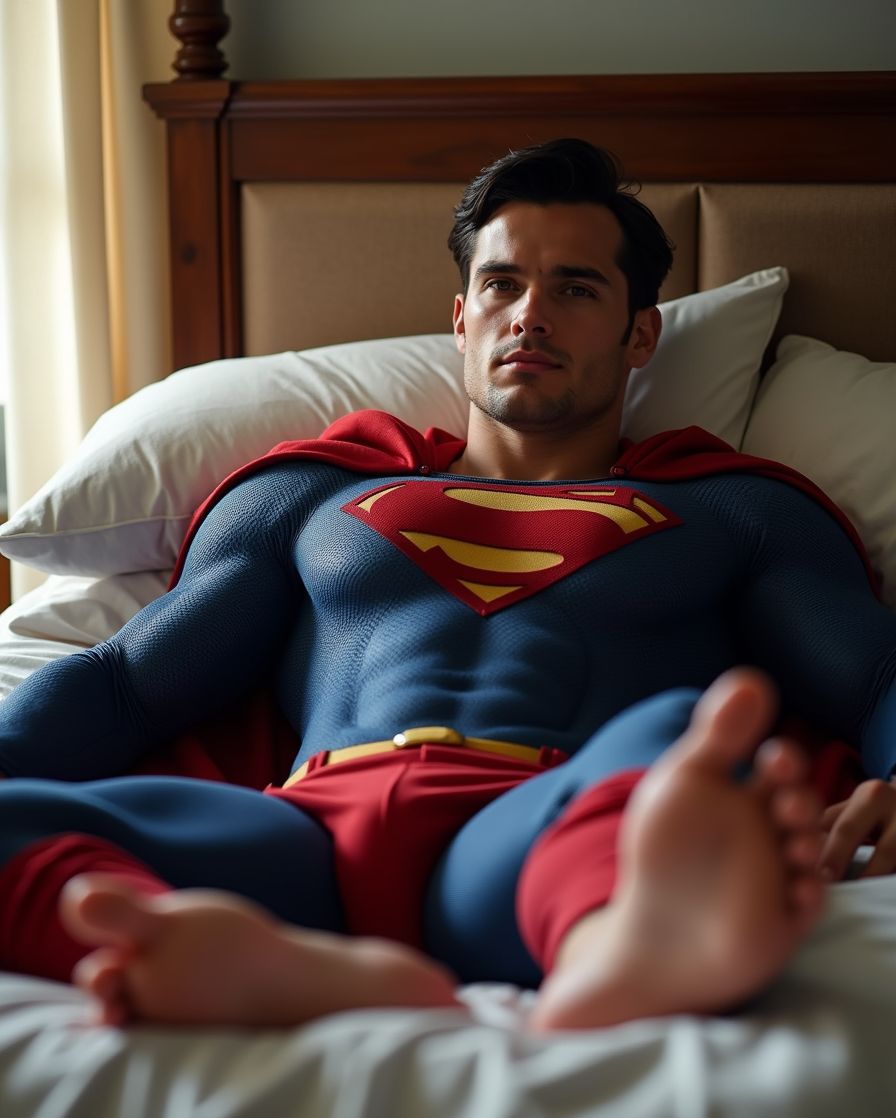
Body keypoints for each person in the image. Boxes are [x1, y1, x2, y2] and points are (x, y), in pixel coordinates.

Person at [0, 139, 895, 1033]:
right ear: (463, 319)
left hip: (553, 819)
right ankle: (207, 947)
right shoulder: (311, 492)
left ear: (641, 335)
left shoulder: (733, 510)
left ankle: (610, 944)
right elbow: (125, 682)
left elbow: (875, 675)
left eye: (576, 289)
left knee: (675, 742)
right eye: (504, 285)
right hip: (309, 830)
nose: (530, 315)